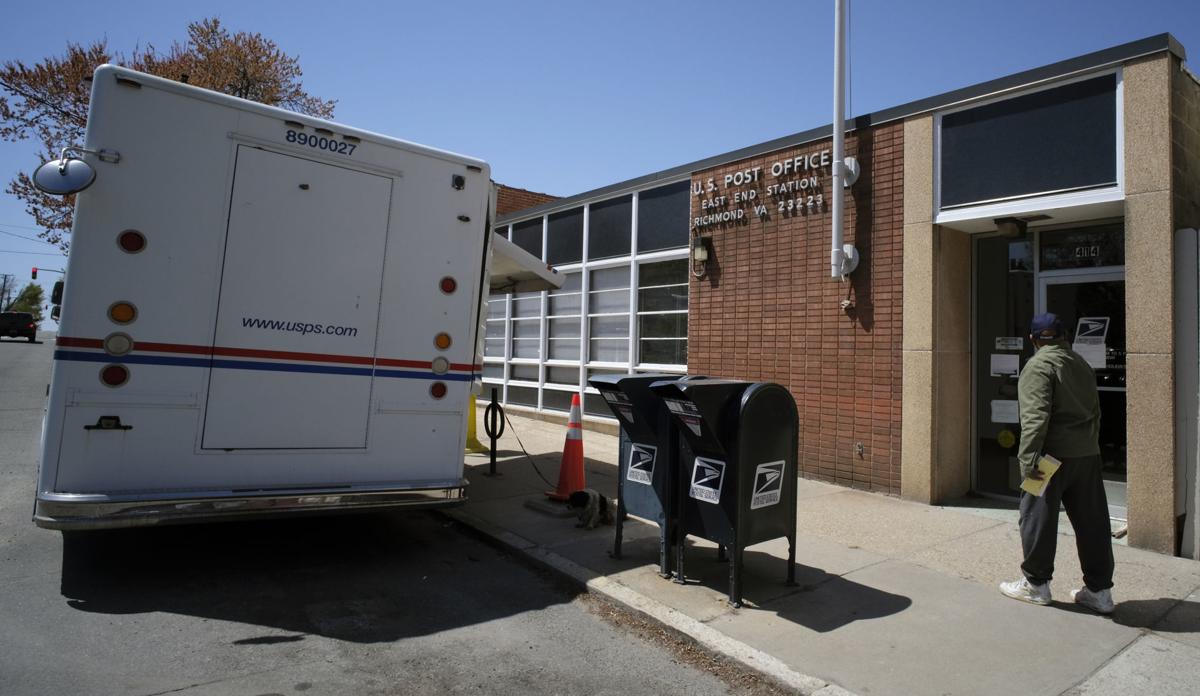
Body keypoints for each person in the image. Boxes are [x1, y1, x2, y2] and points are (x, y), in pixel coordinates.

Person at [999, 313, 1116, 614]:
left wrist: (1028, 465)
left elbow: (1035, 420)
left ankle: (1036, 584)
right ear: (1064, 336)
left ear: (1033, 339)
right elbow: (1096, 412)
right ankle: (1099, 590)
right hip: (1086, 455)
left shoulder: (1038, 366)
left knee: (1036, 517)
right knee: (1093, 523)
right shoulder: (1081, 364)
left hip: (1049, 457)